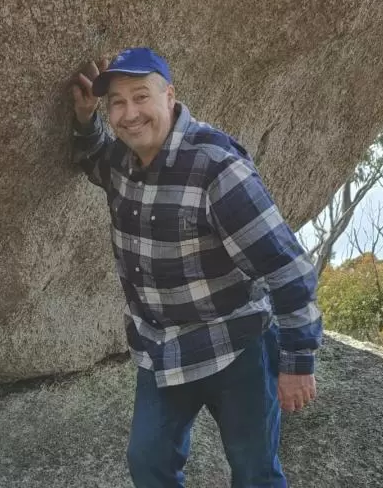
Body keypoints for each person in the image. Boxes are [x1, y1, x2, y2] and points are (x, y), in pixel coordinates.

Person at [70, 48, 323, 488]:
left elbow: (288, 268)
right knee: (147, 463)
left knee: (255, 473)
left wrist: (297, 363)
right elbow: (94, 159)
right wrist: (84, 118)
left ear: (170, 96)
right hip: (162, 349)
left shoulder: (216, 168)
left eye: (140, 96)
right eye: (117, 103)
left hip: (235, 345)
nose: (129, 113)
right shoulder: (123, 163)